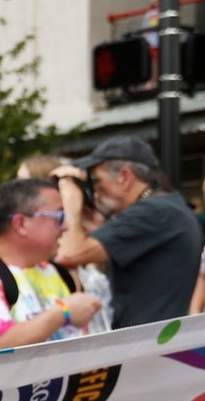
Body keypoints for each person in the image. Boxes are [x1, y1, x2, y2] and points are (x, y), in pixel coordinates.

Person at [53, 136, 202, 328]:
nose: (95, 191)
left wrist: (71, 200)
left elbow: (69, 254)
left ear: (124, 177)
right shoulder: (168, 208)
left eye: (97, 180)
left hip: (147, 346)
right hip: (159, 340)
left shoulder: (152, 212)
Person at [0, 179, 102, 356]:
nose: (65, 227)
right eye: (58, 218)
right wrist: (62, 313)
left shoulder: (54, 270)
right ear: (21, 224)